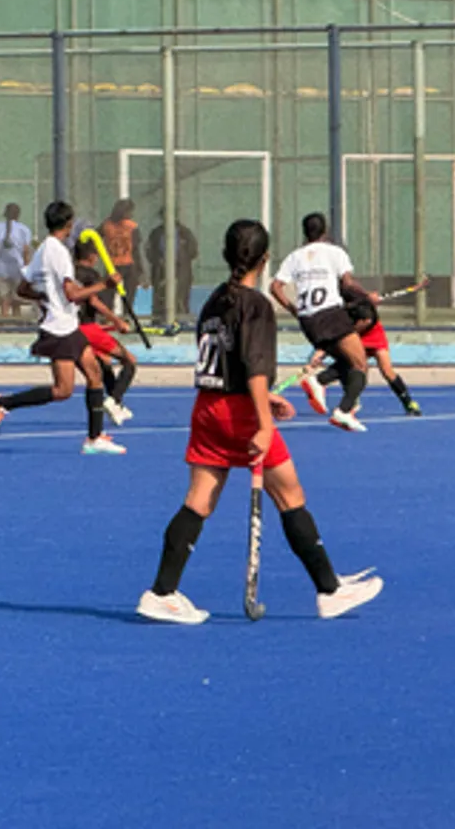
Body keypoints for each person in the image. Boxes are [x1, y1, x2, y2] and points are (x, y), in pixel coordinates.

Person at [136, 219, 384, 624]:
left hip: (208, 406)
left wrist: (262, 396)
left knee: (198, 501)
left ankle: (161, 591)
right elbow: (254, 367)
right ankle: (329, 590)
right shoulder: (256, 306)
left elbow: (222, 361)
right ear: (265, 259)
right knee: (290, 495)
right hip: (240, 414)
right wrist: (264, 419)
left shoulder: (215, 300)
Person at [0, 201, 127, 455]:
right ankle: (0, 403)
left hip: (69, 325)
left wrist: (45, 297)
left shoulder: (43, 249)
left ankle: (95, 438)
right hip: (59, 329)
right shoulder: (58, 252)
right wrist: (105, 284)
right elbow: (72, 294)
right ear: (69, 225)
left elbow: (23, 289)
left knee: (94, 374)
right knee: (62, 390)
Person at [269, 212, 377, 432]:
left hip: (309, 320)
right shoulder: (335, 252)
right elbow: (347, 284)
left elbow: (275, 287)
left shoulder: (295, 256)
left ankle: (321, 382)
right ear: (325, 231)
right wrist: (367, 297)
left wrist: (293, 309)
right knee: (360, 364)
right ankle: (342, 410)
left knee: (347, 362)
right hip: (330, 314)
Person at [307, 293, 422, 417]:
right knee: (352, 363)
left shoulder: (364, 309)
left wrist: (369, 297)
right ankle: (324, 382)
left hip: (374, 334)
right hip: (350, 333)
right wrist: (321, 353)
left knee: (387, 370)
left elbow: (358, 293)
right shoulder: (339, 311)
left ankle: (408, 403)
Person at [74, 239, 138, 427]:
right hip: (88, 328)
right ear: (93, 256)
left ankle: (114, 404)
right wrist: (116, 321)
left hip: (73, 329)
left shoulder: (68, 272)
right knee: (129, 361)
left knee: (104, 364)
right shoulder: (91, 274)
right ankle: (113, 400)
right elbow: (93, 301)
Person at [146, 217, 200, 318]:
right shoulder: (156, 233)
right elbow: (149, 251)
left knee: (181, 297)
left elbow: (193, 251)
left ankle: (181, 318)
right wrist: (159, 260)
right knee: (160, 297)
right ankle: (159, 318)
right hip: (161, 270)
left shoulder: (185, 232)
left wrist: (181, 259)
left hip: (181, 270)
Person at [99, 199, 146, 308]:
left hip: (112, 264)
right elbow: (135, 250)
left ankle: (109, 318)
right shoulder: (131, 226)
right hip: (128, 264)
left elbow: (95, 238)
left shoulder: (106, 224)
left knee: (108, 297)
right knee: (128, 297)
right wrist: (141, 271)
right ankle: (125, 318)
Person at [0, 203, 33, 318]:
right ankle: (16, 324)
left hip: (0, 268)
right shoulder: (24, 230)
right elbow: (26, 251)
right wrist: (27, 269)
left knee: (4, 301)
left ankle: (4, 322)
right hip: (18, 268)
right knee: (17, 302)